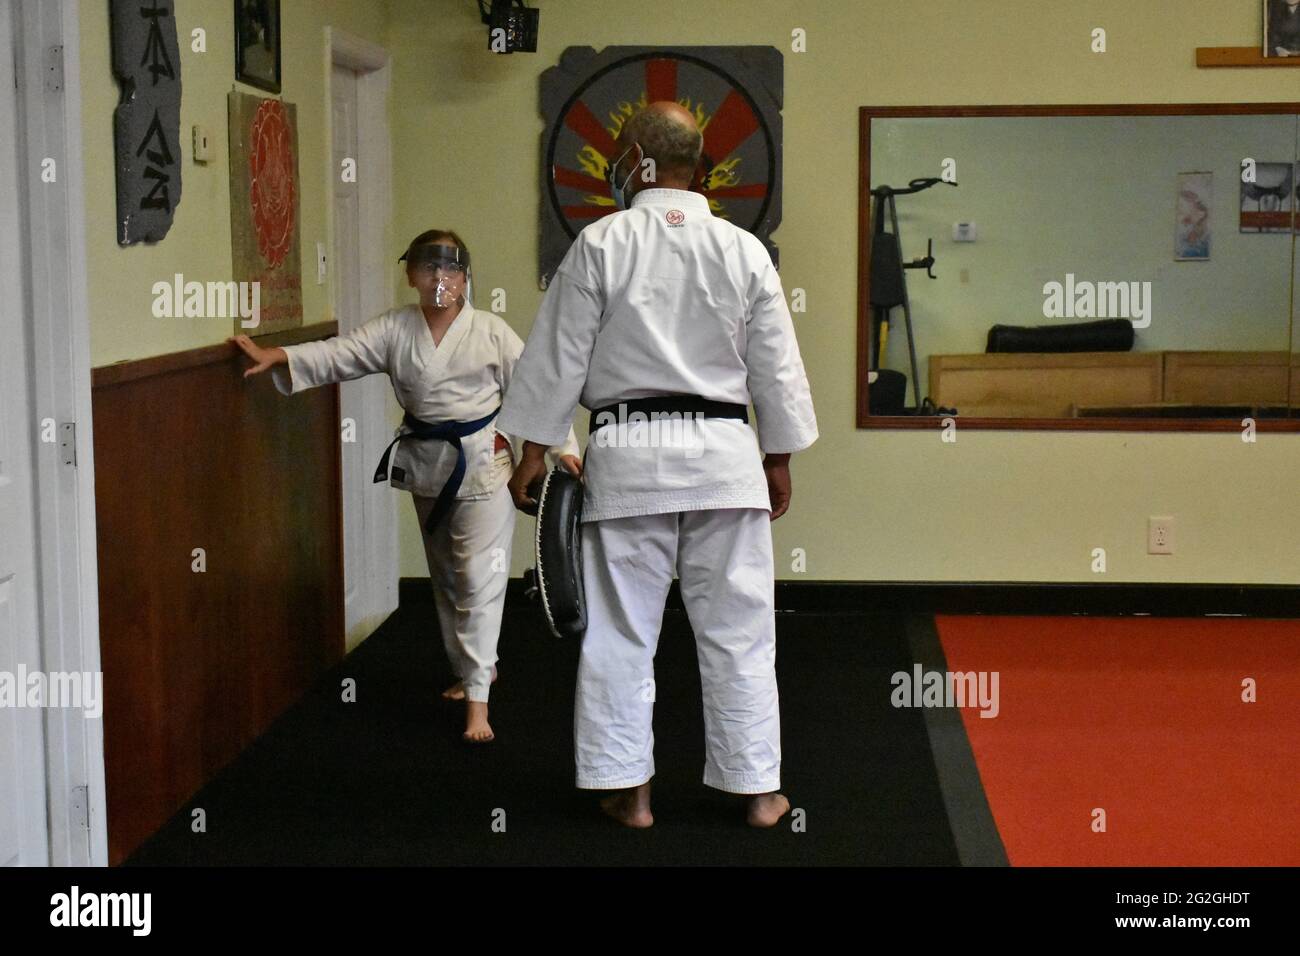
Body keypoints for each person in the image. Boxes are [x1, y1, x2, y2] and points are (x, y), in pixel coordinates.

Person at [498, 103, 818, 827]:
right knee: (740, 631)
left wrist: (533, 451)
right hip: (726, 456)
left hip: (630, 456)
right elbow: (777, 369)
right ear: (697, 164)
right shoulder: (743, 251)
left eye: (617, 152)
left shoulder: (602, 244)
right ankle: (760, 794)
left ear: (636, 159)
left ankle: (630, 793)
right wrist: (779, 457)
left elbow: (558, 359)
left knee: (622, 632)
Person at [230, 230, 580, 743]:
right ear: (411, 274)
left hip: (483, 465)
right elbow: (341, 354)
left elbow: (537, 387)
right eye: (429, 269)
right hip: (426, 468)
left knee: (480, 579)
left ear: (464, 278)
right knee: (448, 579)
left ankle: (478, 703)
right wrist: (279, 355)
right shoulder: (396, 328)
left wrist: (562, 446)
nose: (440, 280)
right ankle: (471, 670)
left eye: (450, 271)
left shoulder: (490, 331)